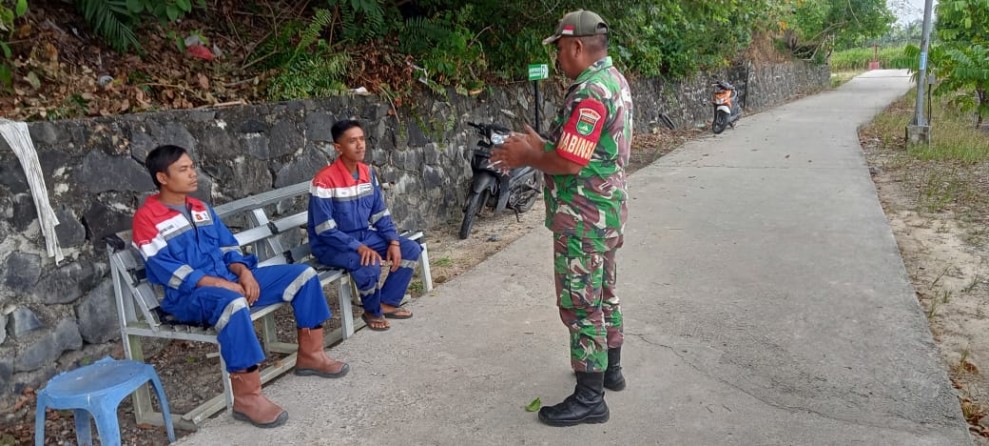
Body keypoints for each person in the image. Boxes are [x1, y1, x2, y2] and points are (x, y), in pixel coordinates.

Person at [132, 145, 349, 429]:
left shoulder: (200, 208)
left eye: (192, 167)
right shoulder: (147, 219)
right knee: (233, 304)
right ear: (162, 177)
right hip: (189, 297)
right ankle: (247, 397)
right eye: (183, 169)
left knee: (304, 275)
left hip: (229, 280)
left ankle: (312, 355)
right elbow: (165, 268)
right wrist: (219, 283)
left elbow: (228, 247)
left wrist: (244, 272)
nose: (193, 173)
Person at [490, 9, 633, 427]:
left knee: (580, 303)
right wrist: (542, 144)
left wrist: (528, 156)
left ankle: (590, 398)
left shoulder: (590, 91)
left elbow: (570, 162)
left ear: (575, 46)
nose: (557, 57)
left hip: (584, 217)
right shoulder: (614, 80)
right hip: (605, 213)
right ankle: (610, 371)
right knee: (604, 292)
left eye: (559, 49)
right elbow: (582, 147)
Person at [307, 119, 422, 331]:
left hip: (362, 236)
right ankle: (372, 311)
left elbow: (379, 213)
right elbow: (325, 229)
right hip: (331, 245)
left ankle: (386, 302)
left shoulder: (367, 173)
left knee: (410, 249)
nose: (360, 145)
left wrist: (393, 241)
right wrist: (358, 247)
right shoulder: (324, 180)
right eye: (352, 141)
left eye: (362, 139)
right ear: (338, 147)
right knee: (369, 264)